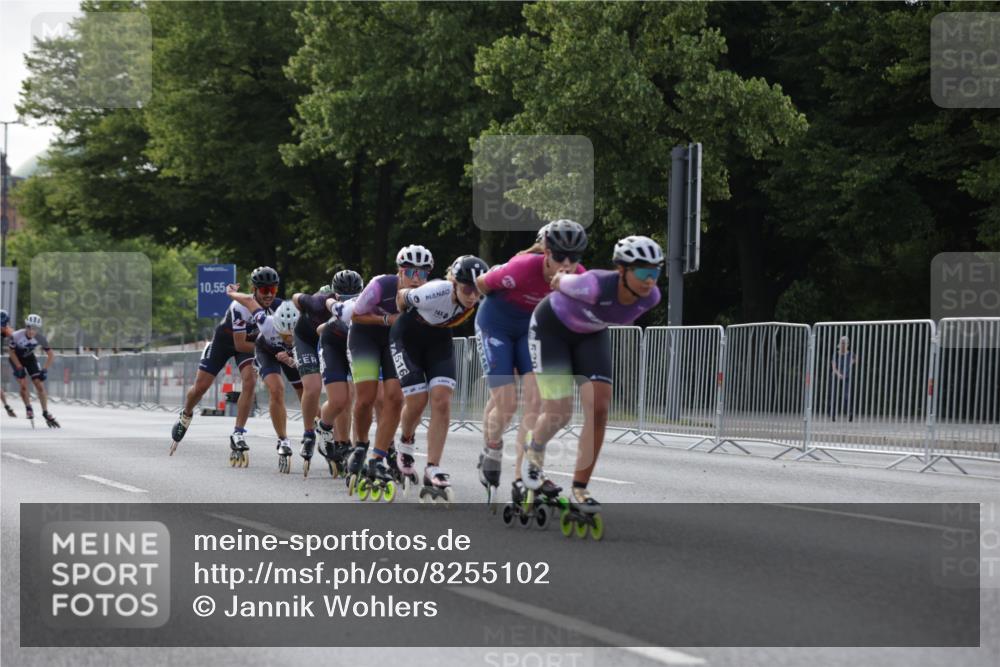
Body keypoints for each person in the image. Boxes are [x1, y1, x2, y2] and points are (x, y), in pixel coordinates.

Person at [524, 235, 663, 536]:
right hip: (552, 330)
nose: (650, 280)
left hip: (590, 334)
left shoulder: (651, 297)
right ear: (622, 271)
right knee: (560, 411)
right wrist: (560, 276)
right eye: (642, 272)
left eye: (656, 272)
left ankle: (580, 488)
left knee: (599, 408)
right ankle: (534, 449)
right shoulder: (595, 284)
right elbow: (558, 280)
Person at [474, 220, 587, 505]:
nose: (567, 264)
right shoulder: (522, 267)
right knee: (507, 403)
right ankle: (492, 448)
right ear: (546, 252)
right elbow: (481, 283)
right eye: (560, 256)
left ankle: (522, 477)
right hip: (495, 324)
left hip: (530, 330)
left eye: (574, 258)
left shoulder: (578, 275)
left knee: (536, 403)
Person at [392, 254, 489, 503]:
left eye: (478, 290)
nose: (472, 296)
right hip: (408, 337)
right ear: (454, 283)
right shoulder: (433, 291)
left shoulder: (479, 296)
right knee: (417, 400)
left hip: (439, 341)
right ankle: (404, 444)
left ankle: (433, 467)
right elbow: (401, 298)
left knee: (442, 400)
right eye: (468, 288)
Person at [345, 245, 433, 496]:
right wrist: (385, 319)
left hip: (395, 342)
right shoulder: (380, 286)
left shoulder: (427, 295)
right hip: (365, 336)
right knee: (366, 398)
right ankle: (360, 445)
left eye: (423, 274)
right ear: (400, 271)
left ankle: (378, 456)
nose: (416, 279)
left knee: (395, 397)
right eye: (410, 272)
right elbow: (356, 316)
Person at [170, 266, 281, 457]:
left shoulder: (276, 307)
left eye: (273, 289)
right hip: (227, 343)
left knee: (250, 380)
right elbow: (239, 345)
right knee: (201, 387)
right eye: (264, 290)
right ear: (254, 289)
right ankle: (186, 414)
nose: (269, 294)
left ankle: (238, 432)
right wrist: (271, 349)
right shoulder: (240, 306)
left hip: (250, 343)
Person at [225, 286, 304, 471]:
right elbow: (249, 301)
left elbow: (312, 366)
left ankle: (323, 432)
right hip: (266, 350)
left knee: (308, 391)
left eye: (291, 335)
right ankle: (283, 440)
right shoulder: (266, 322)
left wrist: (292, 360)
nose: (287, 338)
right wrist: (230, 293)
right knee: (277, 389)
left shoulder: (305, 332)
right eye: (284, 334)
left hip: (293, 355)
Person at [314, 269, 364, 476]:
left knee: (352, 397)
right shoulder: (326, 301)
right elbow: (317, 330)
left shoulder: (366, 302)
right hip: (331, 347)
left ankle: (345, 444)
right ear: (336, 295)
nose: (350, 301)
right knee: (340, 400)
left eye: (355, 296)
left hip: (354, 348)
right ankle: (331, 434)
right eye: (345, 297)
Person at [7, 313, 59, 427]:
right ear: (26, 326)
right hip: (16, 358)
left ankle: (45, 412)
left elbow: (51, 355)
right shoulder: (16, 335)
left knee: (39, 385)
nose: (31, 331)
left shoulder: (40, 338)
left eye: (34, 329)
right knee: (23, 384)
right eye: (29, 327)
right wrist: (19, 367)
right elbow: (10, 352)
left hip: (30, 359)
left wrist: (45, 369)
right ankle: (28, 407)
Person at [829, 336, 857, 422]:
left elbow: (853, 362)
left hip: (847, 377)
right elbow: (833, 366)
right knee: (833, 395)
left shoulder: (851, 354)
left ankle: (850, 413)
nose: (843, 345)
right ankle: (832, 414)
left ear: (847, 344)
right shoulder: (836, 353)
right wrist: (838, 374)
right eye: (842, 343)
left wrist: (846, 372)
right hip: (836, 376)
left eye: (845, 343)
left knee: (846, 396)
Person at [1, 309, 16, 417]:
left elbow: (15, 336)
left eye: (3, 325)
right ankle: (7, 406)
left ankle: (6, 406)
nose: (1, 327)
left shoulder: (7, 330)